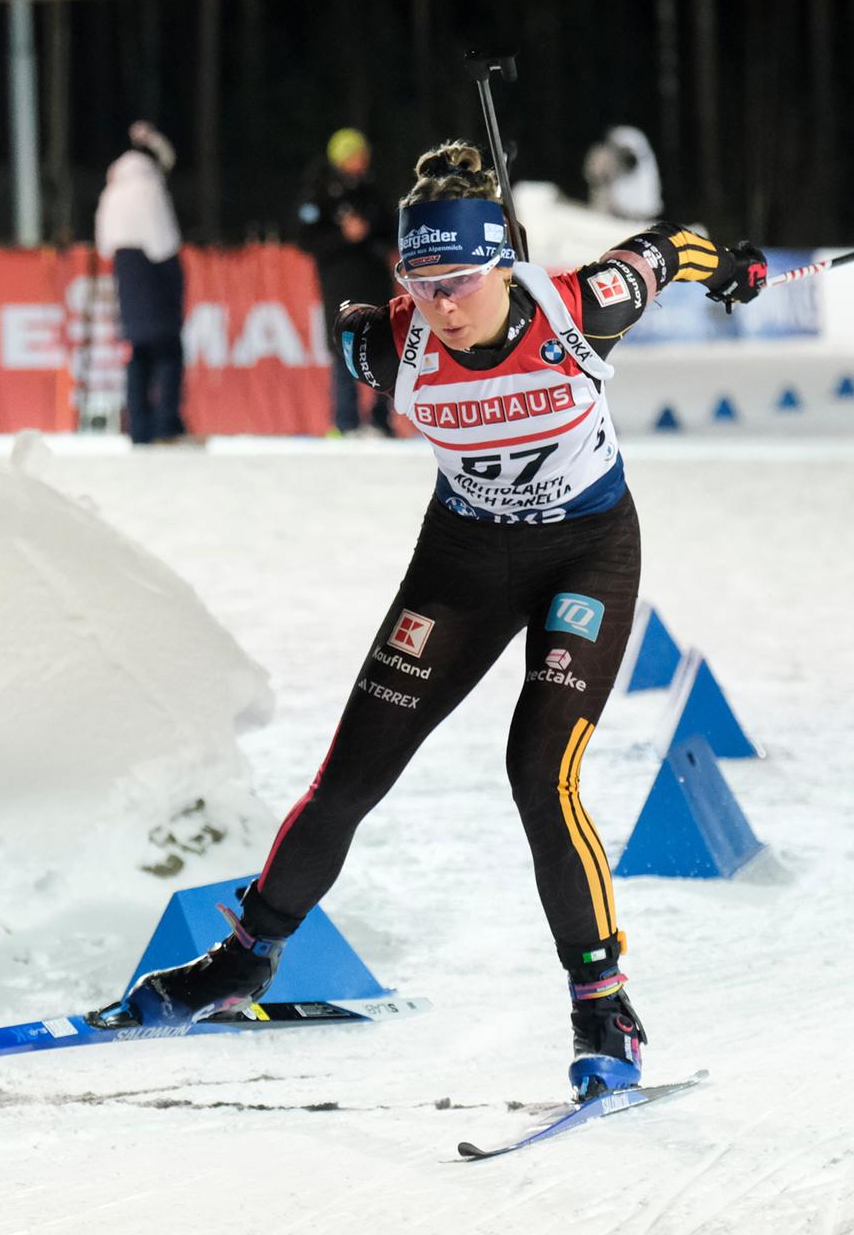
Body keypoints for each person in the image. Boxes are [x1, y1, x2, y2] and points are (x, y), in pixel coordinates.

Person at [90, 140, 766, 1100]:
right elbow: (357, 315)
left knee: (539, 770)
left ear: (502, 262)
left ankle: (602, 1004)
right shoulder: (384, 343)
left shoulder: (583, 308)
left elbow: (673, 245)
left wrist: (734, 266)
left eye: (460, 277)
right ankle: (243, 961)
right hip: (461, 565)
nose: (442, 302)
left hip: (585, 555)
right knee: (349, 776)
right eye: (422, 276)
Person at [296, 128, 396, 437]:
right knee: (343, 347)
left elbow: (391, 231)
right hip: (339, 282)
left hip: (375, 281)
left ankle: (381, 421)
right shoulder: (320, 191)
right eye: (355, 156)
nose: (361, 162)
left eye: (363, 155)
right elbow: (306, 239)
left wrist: (369, 236)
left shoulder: (371, 191)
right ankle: (345, 421)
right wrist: (344, 237)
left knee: (383, 347)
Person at [95, 121, 186, 445]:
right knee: (169, 351)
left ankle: (138, 427)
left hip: (126, 275)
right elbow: (164, 243)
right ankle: (167, 424)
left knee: (137, 354)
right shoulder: (150, 187)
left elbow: (104, 243)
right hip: (154, 275)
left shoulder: (113, 190)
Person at [583, 125, 663, 220]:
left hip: (634, 208)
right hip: (616, 207)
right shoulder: (609, 152)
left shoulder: (629, 143)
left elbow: (631, 157)